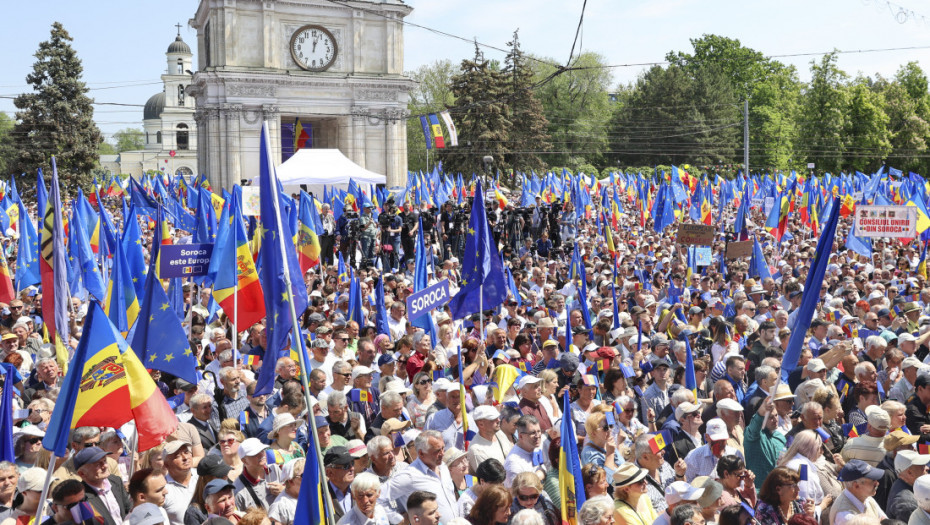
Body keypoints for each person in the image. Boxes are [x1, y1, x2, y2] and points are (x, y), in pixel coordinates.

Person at [830, 460, 887, 525]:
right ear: (856, 486)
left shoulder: (865, 497)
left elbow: (885, 520)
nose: (877, 483)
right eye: (873, 480)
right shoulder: (846, 517)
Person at [888, 451, 930, 521]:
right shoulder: (907, 504)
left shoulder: (900, 483)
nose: (927, 468)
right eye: (922, 466)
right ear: (910, 472)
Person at [268, 459, 303, 525]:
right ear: (291, 481)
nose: (309, 478)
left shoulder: (313, 496)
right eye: (303, 476)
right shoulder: (280, 506)